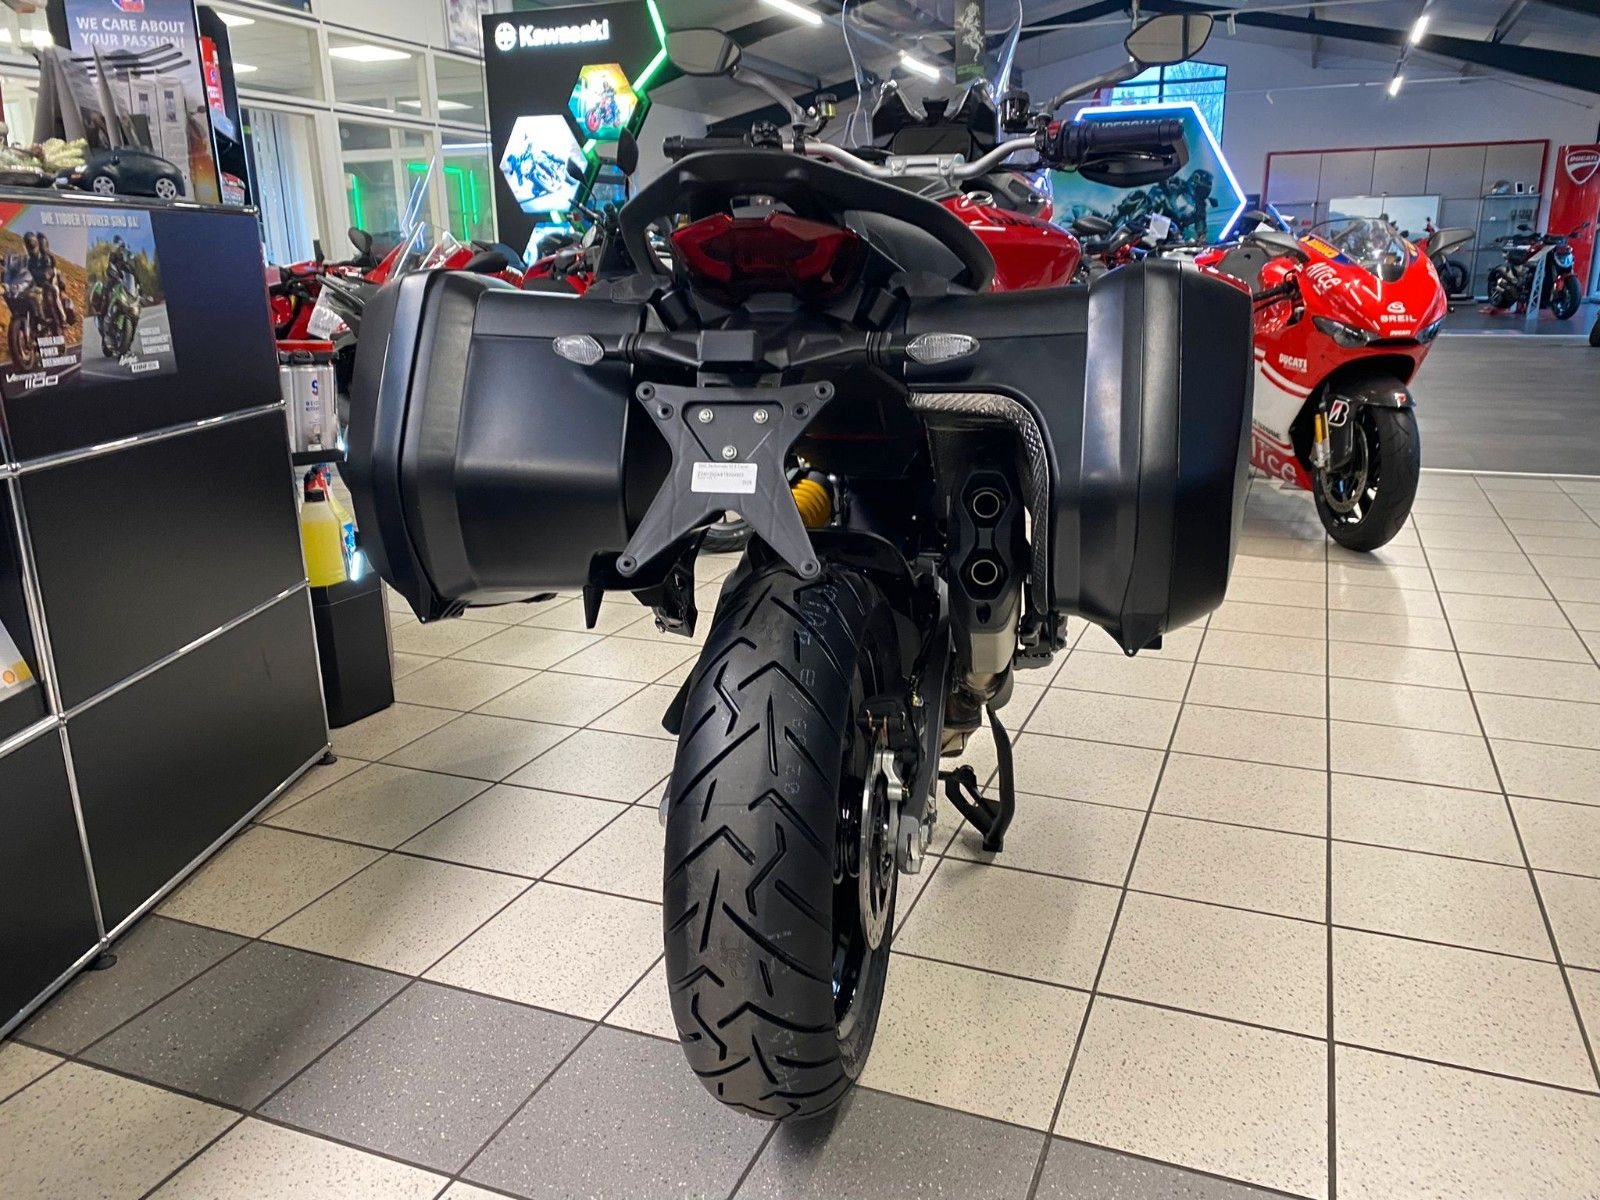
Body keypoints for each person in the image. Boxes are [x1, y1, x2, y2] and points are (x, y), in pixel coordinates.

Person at [23, 231, 69, 333]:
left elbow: (48, 271)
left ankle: (60, 323)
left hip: (49, 284)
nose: (31, 247)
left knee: (50, 297)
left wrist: (46, 275)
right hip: (37, 285)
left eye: (32, 244)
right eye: (29, 245)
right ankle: (35, 322)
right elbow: (25, 271)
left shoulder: (46, 257)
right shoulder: (30, 261)